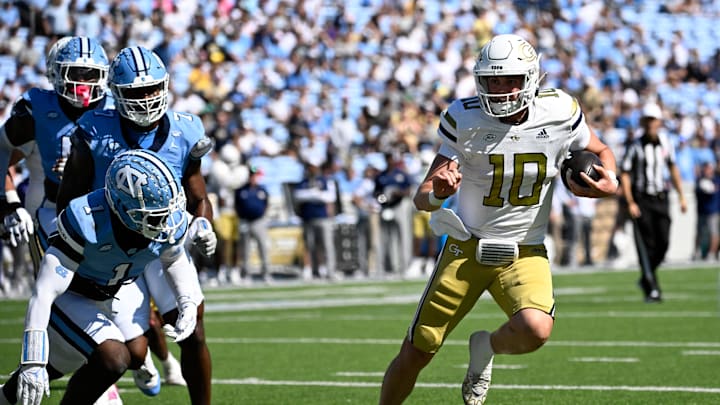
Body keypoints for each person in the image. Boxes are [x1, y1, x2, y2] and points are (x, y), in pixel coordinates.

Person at [378, 34, 619, 405]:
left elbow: (599, 149)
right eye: (493, 80)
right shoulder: (464, 117)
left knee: (537, 330)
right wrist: (439, 192)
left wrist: (610, 180)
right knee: (417, 351)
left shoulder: (559, 111)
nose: (501, 90)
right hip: (466, 249)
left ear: (531, 79)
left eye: (510, 80)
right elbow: (422, 198)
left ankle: (485, 348)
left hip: (525, 249)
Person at [56, 46, 215, 405]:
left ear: (165, 86)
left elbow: (197, 194)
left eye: (151, 89)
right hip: (111, 247)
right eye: (135, 93)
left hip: (164, 245)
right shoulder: (94, 130)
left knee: (194, 328)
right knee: (132, 350)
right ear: (116, 93)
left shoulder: (185, 130)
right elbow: (69, 200)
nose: (145, 99)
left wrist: (203, 225)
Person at [0, 149, 198, 405]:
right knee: (113, 358)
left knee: (61, 366)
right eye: (155, 214)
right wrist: (32, 358)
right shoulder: (87, 220)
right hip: (71, 294)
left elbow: (174, 257)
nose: (166, 222)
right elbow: (44, 292)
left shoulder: (163, 220)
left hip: (114, 290)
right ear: (125, 209)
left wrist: (187, 301)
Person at [620, 102, 688, 303]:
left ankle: (646, 278)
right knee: (646, 244)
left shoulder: (667, 143)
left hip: (661, 197)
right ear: (643, 122)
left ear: (659, 122)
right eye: (647, 120)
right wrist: (630, 201)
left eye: (653, 120)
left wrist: (682, 195)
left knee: (664, 242)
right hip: (642, 199)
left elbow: (673, 168)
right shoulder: (635, 146)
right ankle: (652, 287)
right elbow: (625, 173)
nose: (650, 124)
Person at [234, 164, 271, 283]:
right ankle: (246, 274)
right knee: (245, 249)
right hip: (245, 221)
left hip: (258, 221)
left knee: (263, 247)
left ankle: (266, 273)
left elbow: (266, 204)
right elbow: (237, 205)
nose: (253, 178)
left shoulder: (262, 190)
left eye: (255, 176)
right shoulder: (241, 190)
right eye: (252, 176)